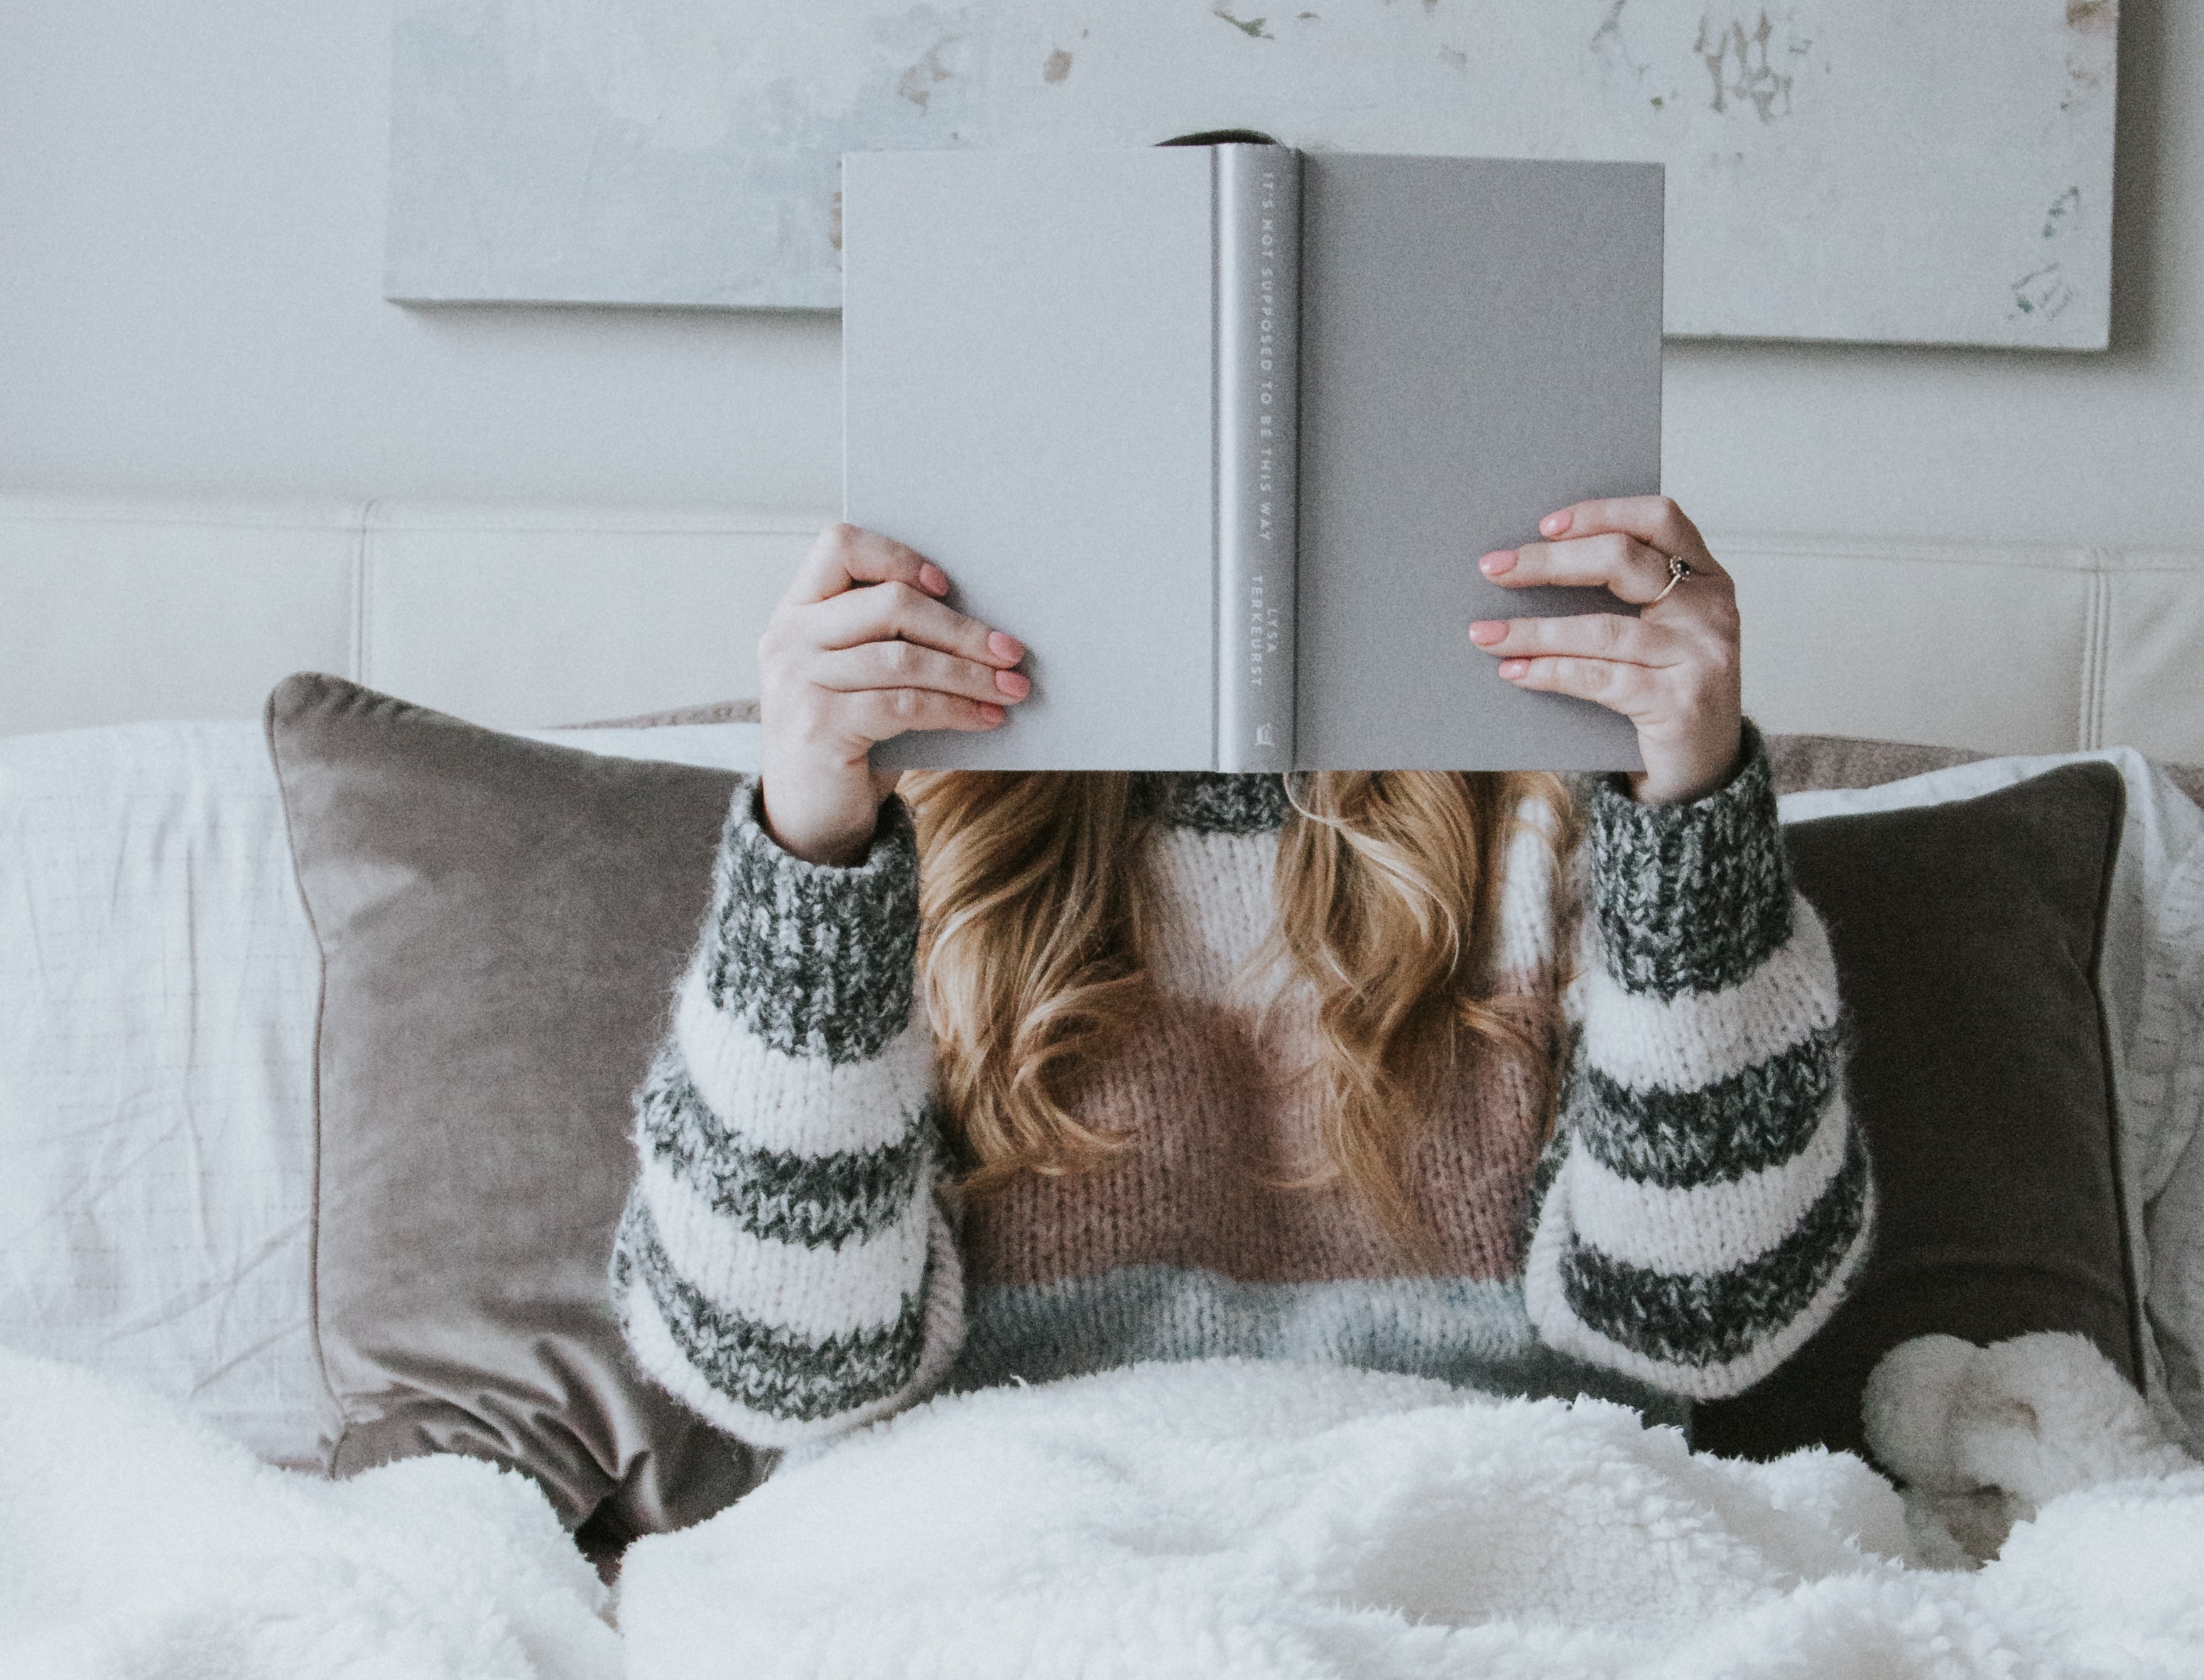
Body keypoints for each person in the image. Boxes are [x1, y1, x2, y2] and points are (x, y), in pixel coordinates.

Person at [612, 497, 1872, 1443]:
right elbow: (769, 1361)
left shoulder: (1570, 819)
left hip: (1475, 1529)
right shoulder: (915, 833)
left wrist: (1695, 817)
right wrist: (814, 856)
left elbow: (1711, 1314)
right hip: (1014, 1546)